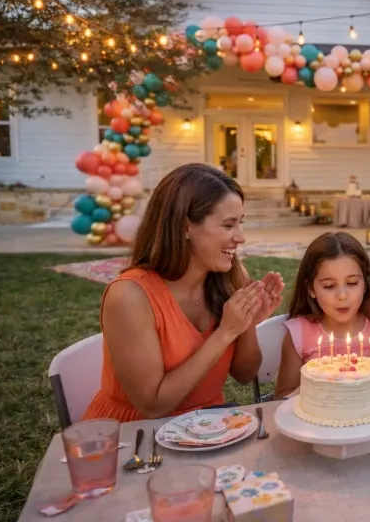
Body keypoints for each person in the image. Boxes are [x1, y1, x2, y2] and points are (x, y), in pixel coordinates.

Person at [83, 164, 285, 422]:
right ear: (185, 227)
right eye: (228, 225)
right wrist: (225, 332)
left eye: (240, 224)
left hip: (209, 427)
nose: (241, 237)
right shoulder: (130, 296)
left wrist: (246, 323)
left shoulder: (231, 278)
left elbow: (245, 375)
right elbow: (153, 406)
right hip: (135, 437)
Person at [275, 232, 370, 398]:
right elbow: (282, 397)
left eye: (352, 283)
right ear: (311, 289)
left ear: (365, 283)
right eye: (329, 286)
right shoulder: (298, 334)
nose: (342, 296)